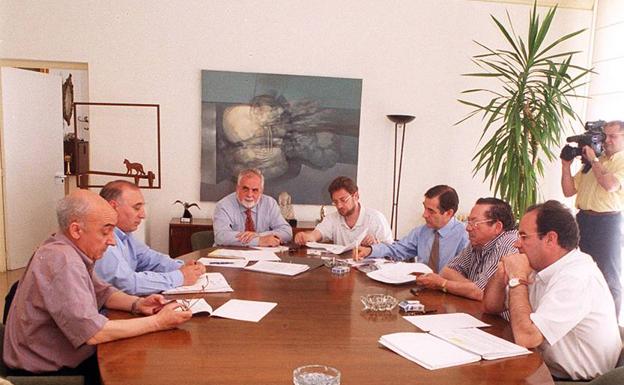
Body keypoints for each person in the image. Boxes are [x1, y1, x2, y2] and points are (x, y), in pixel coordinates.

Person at [3, 190, 191, 384]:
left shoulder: (66, 248)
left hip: (56, 357)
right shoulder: (63, 260)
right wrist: (158, 322)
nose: (111, 241)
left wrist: (138, 303)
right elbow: (94, 332)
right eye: (105, 231)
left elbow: (103, 292)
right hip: (49, 373)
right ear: (76, 230)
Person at [483, 200, 622, 381]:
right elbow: (491, 306)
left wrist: (517, 278)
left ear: (550, 239)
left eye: (524, 237)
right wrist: (502, 271)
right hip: (541, 368)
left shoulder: (577, 276)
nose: (517, 244)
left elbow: (527, 337)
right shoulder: (539, 265)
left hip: (575, 381)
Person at [94, 180, 205, 295]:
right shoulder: (103, 240)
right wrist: (180, 277)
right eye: (137, 208)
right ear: (113, 207)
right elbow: (128, 283)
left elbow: (151, 259)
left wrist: (183, 266)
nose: (143, 215)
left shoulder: (125, 235)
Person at [561, 120, 624, 316]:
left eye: (613, 136)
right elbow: (569, 190)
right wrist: (565, 166)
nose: (607, 141)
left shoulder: (616, 162)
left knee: (608, 275)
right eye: (605, 136)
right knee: (576, 269)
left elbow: (610, 185)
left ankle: (611, 330)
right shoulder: (595, 160)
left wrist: (594, 161)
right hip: (582, 220)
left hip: (608, 223)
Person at [415, 197, 517, 301]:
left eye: (474, 223)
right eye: (468, 222)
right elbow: (447, 271)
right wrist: (472, 288)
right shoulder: (477, 242)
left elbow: (482, 293)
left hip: (499, 317)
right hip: (476, 308)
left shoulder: (508, 244)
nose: (468, 228)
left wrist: (442, 283)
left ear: (497, 227)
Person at [354, 185, 467, 271]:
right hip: (420, 288)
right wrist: (370, 250)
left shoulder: (464, 236)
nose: (424, 215)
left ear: (448, 213)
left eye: (431, 211)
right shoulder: (422, 231)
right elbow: (398, 249)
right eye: (425, 208)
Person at [294, 176, 392, 247]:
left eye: (343, 200)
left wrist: (376, 243)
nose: (339, 206)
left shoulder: (376, 218)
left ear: (356, 196)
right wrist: (306, 236)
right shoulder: (333, 218)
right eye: (335, 202)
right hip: (342, 270)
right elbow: (316, 234)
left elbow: (391, 250)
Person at [213, 168, 292, 246]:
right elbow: (221, 236)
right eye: (245, 189)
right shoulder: (223, 205)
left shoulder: (270, 203)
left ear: (261, 191)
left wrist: (258, 235)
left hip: (262, 256)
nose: (249, 195)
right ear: (237, 188)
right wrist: (258, 241)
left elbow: (287, 232)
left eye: (255, 190)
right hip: (229, 255)